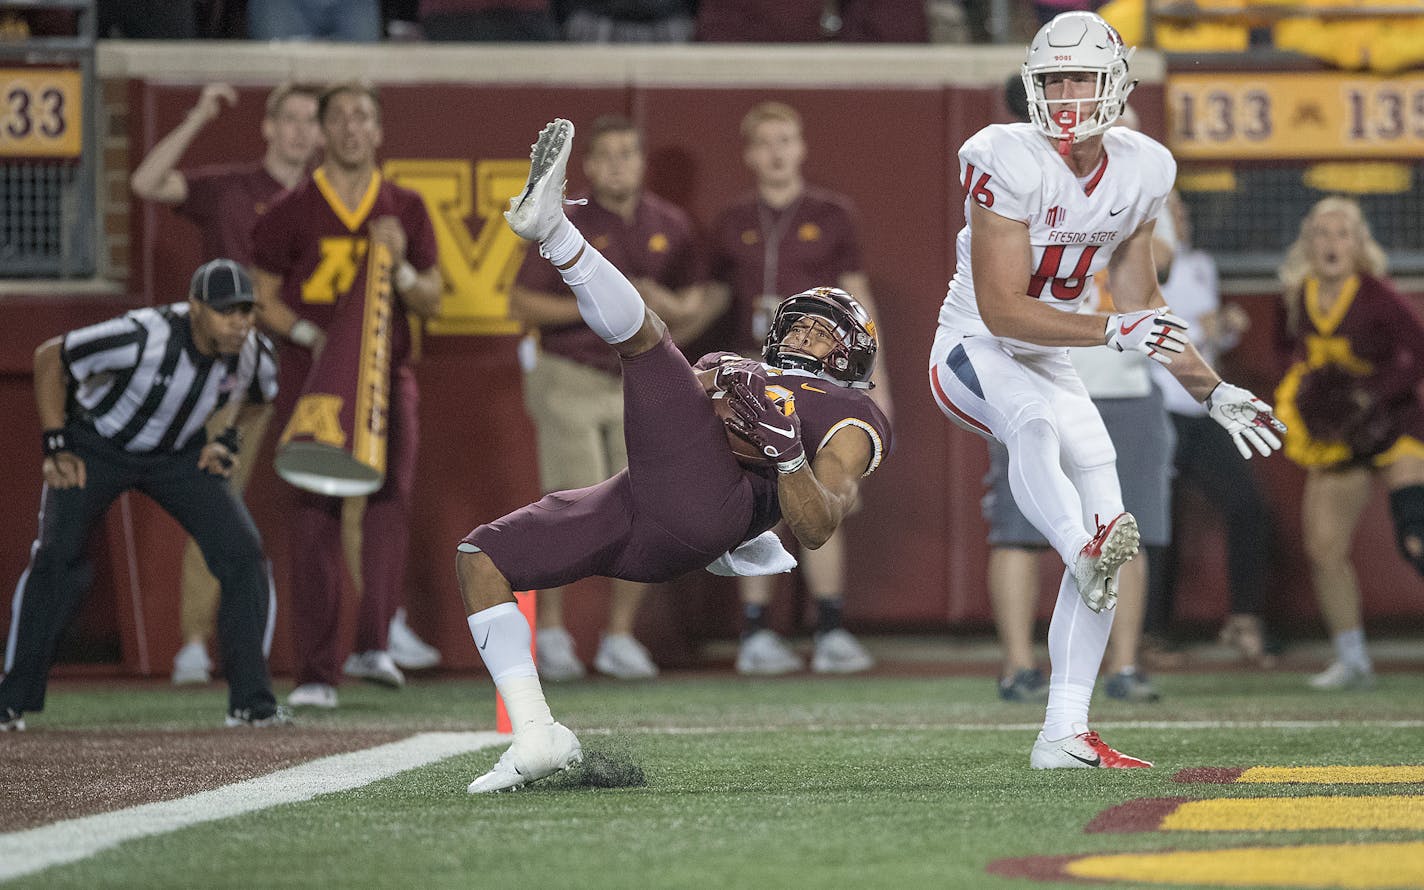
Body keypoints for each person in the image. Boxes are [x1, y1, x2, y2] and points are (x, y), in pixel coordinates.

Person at [459, 119, 891, 792]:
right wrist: (708, 382)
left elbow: (817, 523)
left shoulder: (852, 414)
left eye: (821, 328)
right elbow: (672, 404)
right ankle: (536, 734)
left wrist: (784, 454)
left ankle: (556, 234)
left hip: (713, 505)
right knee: (481, 559)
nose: (804, 332)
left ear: (850, 353)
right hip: (644, 507)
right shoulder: (739, 363)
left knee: (648, 342)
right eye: (797, 322)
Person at [928, 11, 1284, 768]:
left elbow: (1142, 301)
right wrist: (1109, 333)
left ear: (1115, 84)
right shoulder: (1004, 155)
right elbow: (1000, 310)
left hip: (1052, 357)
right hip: (974, 350)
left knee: (1105, 498)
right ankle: (1076, 545)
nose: (1063, 94)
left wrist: (1211, 388)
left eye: (1079, 77)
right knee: (1035, 429)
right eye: (1052, 78)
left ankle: (1063, 729)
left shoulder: (1143, 168)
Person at [0, 259, 285, 731]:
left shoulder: (253, 351)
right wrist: (56, 442)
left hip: (178, 455)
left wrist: (226, 438)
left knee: (243, 554)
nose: (240, 323)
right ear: (195, 309)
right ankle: (11, 700)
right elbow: (51, 357)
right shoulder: (141, 334)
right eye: (226, 312)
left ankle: (252, 703)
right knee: (56, 557)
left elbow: (260, 398)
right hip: (98, 445)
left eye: (247, 311)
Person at [252, 82, 443, 709]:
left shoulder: (406, 208)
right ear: (322, 131)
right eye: (340, 117)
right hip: (315, 381)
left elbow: (432, 297)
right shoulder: (290, 209)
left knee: (390, 502)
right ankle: (314, 672)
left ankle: (373, 642)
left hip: (389, 376)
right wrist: (313, 334)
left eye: (363, 116)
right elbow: (262, 295)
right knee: (313, 513)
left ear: (379, 131)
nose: (352, 128)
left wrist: (403, 266)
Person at [986, 78, 1176, 705]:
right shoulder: (1023, 172)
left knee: (1124, 525)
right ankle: (1018, 663)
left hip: (1119, 378)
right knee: (1018, 527)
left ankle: (1122, 664)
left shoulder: (1139, 176)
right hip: (1035, 365)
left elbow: (1157, 268)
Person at [509, 113, 717, 682]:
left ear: (642, 161)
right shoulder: (567, 220)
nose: (619, 164)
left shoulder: (671, 224)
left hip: (639, 381)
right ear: (589, 165)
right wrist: (600, 301)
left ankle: (618, 636)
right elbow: (522, 305)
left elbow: (694, 306)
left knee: (644, 508)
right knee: (572, 504)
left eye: (629, 153)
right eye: (607, 154)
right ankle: (551, 632)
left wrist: (656, 303)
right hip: (571, 374)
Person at [130, 81, 322, 686]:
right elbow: (145, 183)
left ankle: (369, 633)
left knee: (344, 495)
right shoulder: (230, 187)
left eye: (308, 120)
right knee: (217, 494)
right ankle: (194, 640)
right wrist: (197, 116)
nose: (298, 130)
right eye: (288, 118)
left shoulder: (329, 198)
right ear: (267, 127)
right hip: (232, 367)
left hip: (311, 362)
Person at [707, 100, 890, 676]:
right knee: (755, 502)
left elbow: (860, 304)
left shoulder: (832, 213)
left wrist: (875, 386)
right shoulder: (732, 219)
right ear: (749, 153)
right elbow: (712, 303)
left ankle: (830, 627)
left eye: (785, 140)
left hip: (822, 381)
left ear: (801, 146)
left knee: (821, 490)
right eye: (765, 142)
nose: (776, 152)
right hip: (751, 372)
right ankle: (756, 634)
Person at [1272, 196, 1424, 691]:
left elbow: (1416, 356)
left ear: (1358, 243)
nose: (1331, 243)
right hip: (1340, 438)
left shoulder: (1379, 296)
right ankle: (1352, 657)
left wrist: (1371, 396)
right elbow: (1286, 357)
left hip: (1395, 426)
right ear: (1307, 241)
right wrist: (1320, 403)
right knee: (1324, 547)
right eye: (1321, 232)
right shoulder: (1296, 296)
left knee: (1415, 531)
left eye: (1341, 233)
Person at [1147, 191, 1276, 668]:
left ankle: (1244, 619)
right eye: (1171, 210)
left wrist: (1223, 326)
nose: (1181, 216)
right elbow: (1138, 329)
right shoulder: (1136, 261)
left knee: (1247, 505)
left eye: (1183, 209)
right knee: (1154, 524)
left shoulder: (1200, 264)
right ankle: (1148, 633)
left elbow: (1208, 336)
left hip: (1201, 409)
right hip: (1156, 407)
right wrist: (1201, 325)